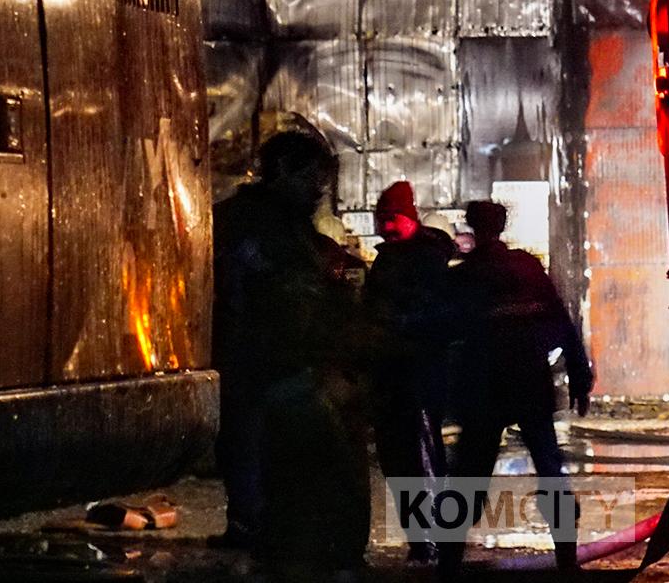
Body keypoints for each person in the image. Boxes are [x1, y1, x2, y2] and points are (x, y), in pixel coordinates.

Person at [211, 130, 369, 578]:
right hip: (272, 368)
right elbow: (277, 301)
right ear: (282, 171)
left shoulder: (275, 224)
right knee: (292, 467)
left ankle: (272, 539)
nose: (319, 189)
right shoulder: (258, 226)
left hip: (279, 367)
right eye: (312, 178)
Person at [439, 200, 593, 578]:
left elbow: (444, 334)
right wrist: (579, 373)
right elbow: (560, 318)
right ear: (502, 224)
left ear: (472, 227)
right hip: (528, 385)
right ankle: (567, 563)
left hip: (483, 390)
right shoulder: (526, 268)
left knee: (466, 481)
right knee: (550, 472)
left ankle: (447, 565)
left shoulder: (464, 277)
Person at [364, 181, 458, 563]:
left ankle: (436, 539)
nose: (386, 227)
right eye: (382, 219)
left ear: (409, 218)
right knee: (399, 463)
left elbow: (437, 317)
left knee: (421, 461)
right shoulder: (394, 258)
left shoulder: (423, 261)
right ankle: (422, 539)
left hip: (417, 378)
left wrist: (397, 324)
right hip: (392, 378)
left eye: (393, 219)